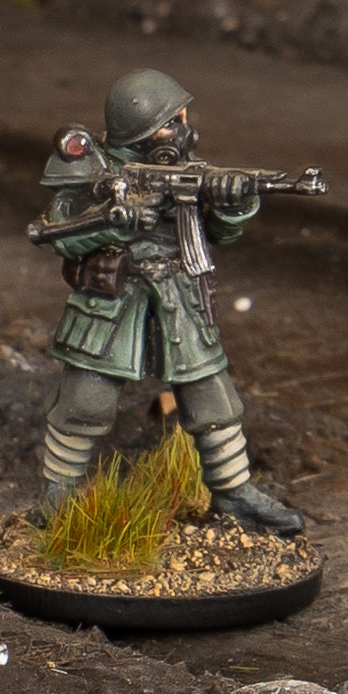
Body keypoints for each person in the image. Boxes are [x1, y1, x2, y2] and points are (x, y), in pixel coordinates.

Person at [31, 67, 304, 538]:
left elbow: (220, 235)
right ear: (141, 129)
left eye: (182, 118)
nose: (184, 128)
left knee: (212, 397)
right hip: (111, 300)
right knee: (86, 399)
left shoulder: (189, 170)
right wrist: (118, 219)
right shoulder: (90, 166)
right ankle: (58, 494)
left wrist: (234, 205)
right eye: (172, 121)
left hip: (178, 295)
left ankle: (234, 492)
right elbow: (59, 234)